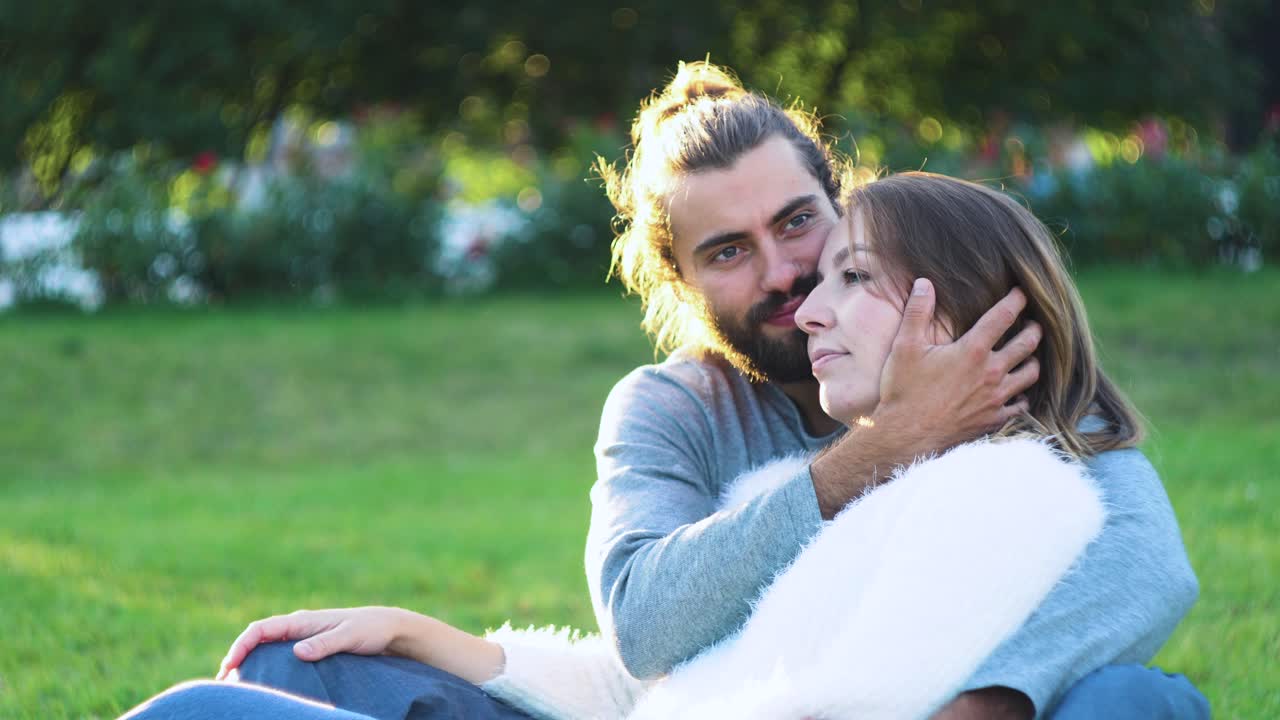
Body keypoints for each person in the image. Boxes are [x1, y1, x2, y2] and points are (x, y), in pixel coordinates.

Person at [120, 62, 1205, 719]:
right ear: (680, 282)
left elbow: (1142, 557)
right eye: (727, 251)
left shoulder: (985, 373)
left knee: (1134, 703)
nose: (785, 278)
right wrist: (879, 449)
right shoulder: (671, 410)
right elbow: (648, 639)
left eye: (798, 227)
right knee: (284, 667)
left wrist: (981, 703)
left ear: (844, 207)